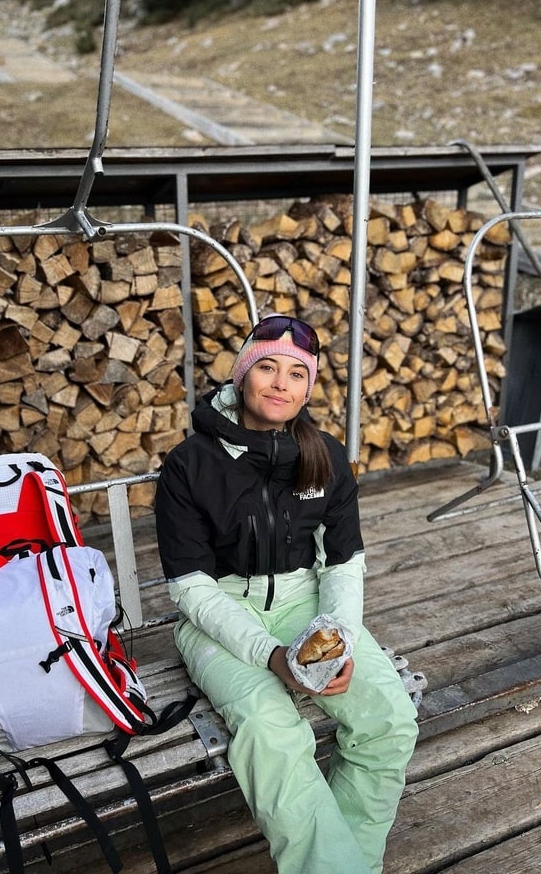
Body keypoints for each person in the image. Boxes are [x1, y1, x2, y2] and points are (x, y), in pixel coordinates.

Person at [154, 314, 419, 874]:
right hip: (220, 615)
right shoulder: (190, 464)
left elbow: (342, 563)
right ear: (241, 377)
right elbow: (192, 587)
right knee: (272, 736)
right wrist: (272, 656)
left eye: (297, 374)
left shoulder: (325, 456)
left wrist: (340, 639)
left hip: (305, 602)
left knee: (388, 721)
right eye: (267, 368)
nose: (280, 384)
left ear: (308, 388)